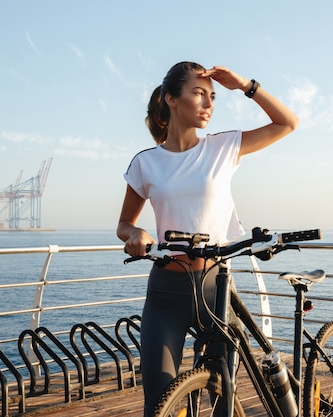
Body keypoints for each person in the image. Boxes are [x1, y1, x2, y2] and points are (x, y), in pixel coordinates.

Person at [116, 61, 298, 415]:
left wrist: (245, 85)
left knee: (222, 398)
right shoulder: (145, 163)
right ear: (171, 99)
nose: (208, 103)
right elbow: (124, 223)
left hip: (215, 287)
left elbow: (287, 123)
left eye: (212, 96)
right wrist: (135, 233)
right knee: (158, 401)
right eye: (199, 93)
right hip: (166, 292)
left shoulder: (223, 147)